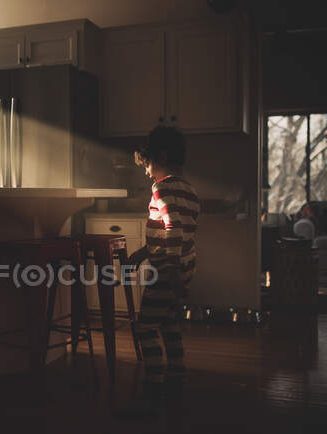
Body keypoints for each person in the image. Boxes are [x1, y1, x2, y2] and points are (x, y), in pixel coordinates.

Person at [123, 125, 200, 415]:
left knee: (146, 327)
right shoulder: (190, 190)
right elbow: (177, 233)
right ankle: (176, 376)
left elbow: (174, 229)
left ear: (162, 156)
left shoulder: (162, 187)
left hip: (168, 270)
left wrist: (169, 270)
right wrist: (143, 254)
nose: (146, 172)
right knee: (168, 324)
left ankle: (153, 385)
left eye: (148, 163)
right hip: (182, 266)